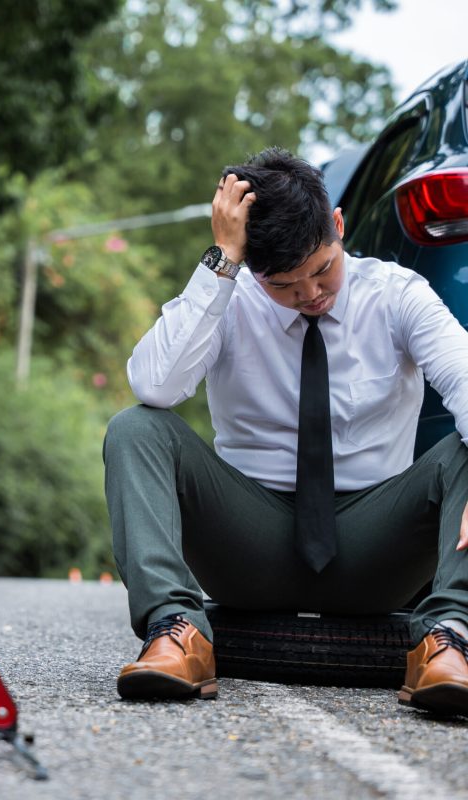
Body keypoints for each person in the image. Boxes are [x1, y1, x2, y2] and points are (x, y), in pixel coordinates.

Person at [103, 147, 468, 715]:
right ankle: (176, 634)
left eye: (323, 268)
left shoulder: (396, 294)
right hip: (251, 543)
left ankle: (450, 641)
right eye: (284, 284)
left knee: (464, 452)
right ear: (252, 267)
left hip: (377, 548)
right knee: (136, 429)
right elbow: (154, 385)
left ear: (339, 227)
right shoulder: (230, 292)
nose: (310, 294)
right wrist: (222, 258)